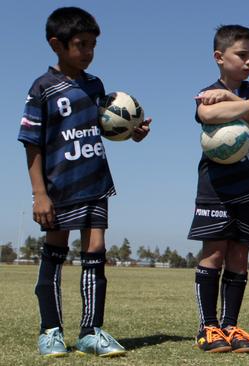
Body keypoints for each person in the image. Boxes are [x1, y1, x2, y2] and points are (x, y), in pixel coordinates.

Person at [17, 7, 151, 357]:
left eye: (93, 44)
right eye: (81, 44)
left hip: (95, 182)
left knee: (95, 253)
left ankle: (91, 331)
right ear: (56, 45)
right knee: (54, 254)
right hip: (59, 185)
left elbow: (101, 129)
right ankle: (51, 331)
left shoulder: (95, 86)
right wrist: (39, 194)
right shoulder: (42, 88)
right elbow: (31, 143)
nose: (89, 52)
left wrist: (130, 133)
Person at [188, 24, 249, 354]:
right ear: (219, 57)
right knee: (215, 253)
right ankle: (208, 327)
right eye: (242, 55)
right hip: (216, 188)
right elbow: (207, 112)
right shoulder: (207, 91)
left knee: (239, 256)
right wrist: (240, 104)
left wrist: (235, 100)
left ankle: (230, 325)